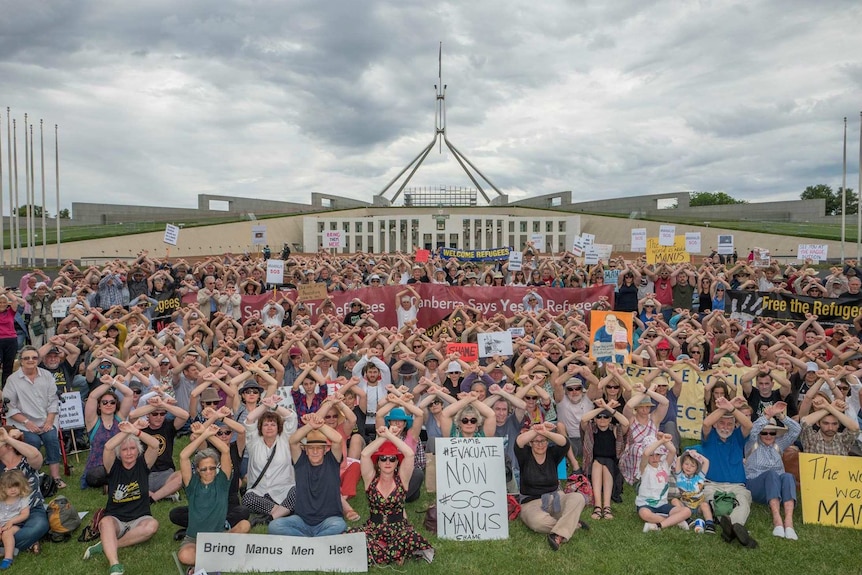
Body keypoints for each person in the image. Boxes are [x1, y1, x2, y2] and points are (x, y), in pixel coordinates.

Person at [83, 420, 161, 575]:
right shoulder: (112, 465)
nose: (129, 452)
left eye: (132, 448)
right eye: (124, 450)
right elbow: (108, 447)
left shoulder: (143, 464)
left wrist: (136, 431)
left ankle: (107, 545)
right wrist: (127, 432)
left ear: (138, 450)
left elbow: (155, 445)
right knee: (105, 522)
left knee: (152, 526)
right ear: (119, 453)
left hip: (140, 518)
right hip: (116, 519)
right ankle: (115, 565)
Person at [350, 428, 433, 565]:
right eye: (383, 458)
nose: (387, 462)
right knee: (354, 537)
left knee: (409, 537)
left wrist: (390, 435)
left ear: (396, 463)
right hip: (374, 528)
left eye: (392, 459)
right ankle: (393, 553)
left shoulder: (402, 479)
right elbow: (364, 454)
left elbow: (409, 454)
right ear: (378, 462)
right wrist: (383, 437)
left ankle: (385, 551)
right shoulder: (370, 479)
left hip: (398, 528)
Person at [177, 422, 250, 573]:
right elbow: (183, 456)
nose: (209, 471)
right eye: (204, 469)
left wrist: (208, 433)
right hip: (194, 539)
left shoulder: (222, 482)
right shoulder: (192, 485)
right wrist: (203, 435)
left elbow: (224, 450)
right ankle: (215, 561)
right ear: (197, 470)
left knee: (245, 525)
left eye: (212, 467)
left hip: (219, 538)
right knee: (184, 556)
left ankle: (205, 563)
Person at [268, 414, 346, 537]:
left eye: (319, 448)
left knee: (339, 525)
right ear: (306, 450)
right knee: (274, 526)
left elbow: (338, 440)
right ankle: (314, 541)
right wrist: (310, 426)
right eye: (311, 448)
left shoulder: (332, 461)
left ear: (325, 450)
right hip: (302, 520)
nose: (315, 451)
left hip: (329, 520)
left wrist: (320, 425)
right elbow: (293, 441)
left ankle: (306, 542)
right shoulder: (301, 462)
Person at [515, 422, 588, 551]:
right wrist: (536, 430)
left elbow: (565, 443)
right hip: (531, 502)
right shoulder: (524, 455)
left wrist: (546, 432)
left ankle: (558, 532)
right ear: (530, 443)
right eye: (536, 441)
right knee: (537, 523)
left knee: (578, 498)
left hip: (555, 498)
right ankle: (571, 523)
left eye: (543, 441)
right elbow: (519, 442)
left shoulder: (553, 454)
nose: (540, 444)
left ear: (548, 442)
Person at [700, 396, 757, 548]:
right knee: (713, 501)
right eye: (722, 423)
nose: (725, 427)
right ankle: (732, 527)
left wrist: (731, 408)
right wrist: (727, 406)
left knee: (744, 501)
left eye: (729, 424)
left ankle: (734, 526)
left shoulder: (738, 437)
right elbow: (706, 423)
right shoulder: (709, 437)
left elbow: (749, 425)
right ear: (716, 424)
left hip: (737, 485)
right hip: (712, 484)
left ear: (734, 425)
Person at [4, 346, 65, 489]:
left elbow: (53, 400)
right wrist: (27, 422)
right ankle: (33, 476)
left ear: (38, 359)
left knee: (51, 438)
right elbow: (10, 407)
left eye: (34, 357)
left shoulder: (47, 375)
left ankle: (55, 477)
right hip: (22, 423)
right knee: (33, 441)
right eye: (27, 358)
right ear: (21, 361)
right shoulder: (12, 380)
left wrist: (50, 421)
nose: (31, 360)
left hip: (45, 420)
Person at [744, 403, 801, 540]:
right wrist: (767, 416)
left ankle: (788, 522)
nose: (768, 435)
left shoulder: (779, 444)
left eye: (772, 432)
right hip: (756, 485)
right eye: (764, 432)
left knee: (788, 476)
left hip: (777, 486)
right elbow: (752, 429)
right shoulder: (752, 442)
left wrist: (781, 416)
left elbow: (796, 430)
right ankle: (777, 520)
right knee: (772, 474)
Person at [242, 394, 298, 524]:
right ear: (260, 428)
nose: (269, 427)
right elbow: (250, 419)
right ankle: (284, 511)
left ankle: (270, 518)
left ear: (278, 427)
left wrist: (274, 406)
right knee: (247, 499)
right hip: (259, 491)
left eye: (273, 424)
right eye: (265, 425)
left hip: (283, 490)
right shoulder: (254, 442)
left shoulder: (285, 439)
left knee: (298, 491)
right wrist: (265, 405)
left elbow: (292, 417)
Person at [82, 376, 136, 488]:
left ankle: (111, 481)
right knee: (95, 477)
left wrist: (113, 381)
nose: (108, 405)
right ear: (99, 406)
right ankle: (112, 481)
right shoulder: (92, 421)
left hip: (120, 462)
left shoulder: (120, 418)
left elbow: (129, 394)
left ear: (116, 405)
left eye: (112, 402)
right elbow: (92, 396)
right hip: (98, 465)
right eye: (104, 402)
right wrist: (108, 384)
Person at [581, 399, 628, 519]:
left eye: (606, 417)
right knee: (598, 463)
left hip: (612, 469)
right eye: (599, 417)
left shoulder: (615, 430)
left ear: (610, 419)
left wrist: (608, 408)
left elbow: (626, 423)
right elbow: (584, 419)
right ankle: (598, 505)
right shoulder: (591, 429)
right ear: (595, 419)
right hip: (593, 468)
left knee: (605, 463)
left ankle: (606, 506)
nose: (602, 420)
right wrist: (603, 408)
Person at [638, 434, 691, 532]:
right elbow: (645, 453)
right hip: (646, 504)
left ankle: (657, 525)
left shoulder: (665, 466)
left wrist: (664, 440)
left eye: (657, 454)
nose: (654, 458)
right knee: (644, 513)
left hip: (663, 504)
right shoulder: (644, 468)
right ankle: (673, 521)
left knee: (687, 511)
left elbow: (673, 451)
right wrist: (660, 441)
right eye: (652, 455)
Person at [673, 450, 714, 534]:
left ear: (696, 468)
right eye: (686, 464)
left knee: (705, 505)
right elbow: (678, 459)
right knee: (674, 500)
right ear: (682, 464)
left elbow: (706, 462)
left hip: (698, 505)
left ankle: (710, 524)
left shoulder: (699, 477)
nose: (688, 467)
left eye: (692, 465)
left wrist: (696, 455)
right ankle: (686, 519)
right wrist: (688, 452)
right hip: (684, 505)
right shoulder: (680, 475)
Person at [0, 470, 30, 569]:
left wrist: (11, 522)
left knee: (7, 534)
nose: (13, 490)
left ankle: (8, 558)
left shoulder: (22, 499)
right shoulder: (1, 499)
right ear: (3, 488)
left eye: (16, 486)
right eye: (9, 487)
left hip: (15, 524)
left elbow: (25, 514)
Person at [0, 290, 23, 387]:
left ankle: (6, 388)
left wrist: (5, 292)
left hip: (11, 340)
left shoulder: (10, 312)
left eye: (4, 302)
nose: (2, 304)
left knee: (8, 366)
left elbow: (14, 300)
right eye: (0, 302)